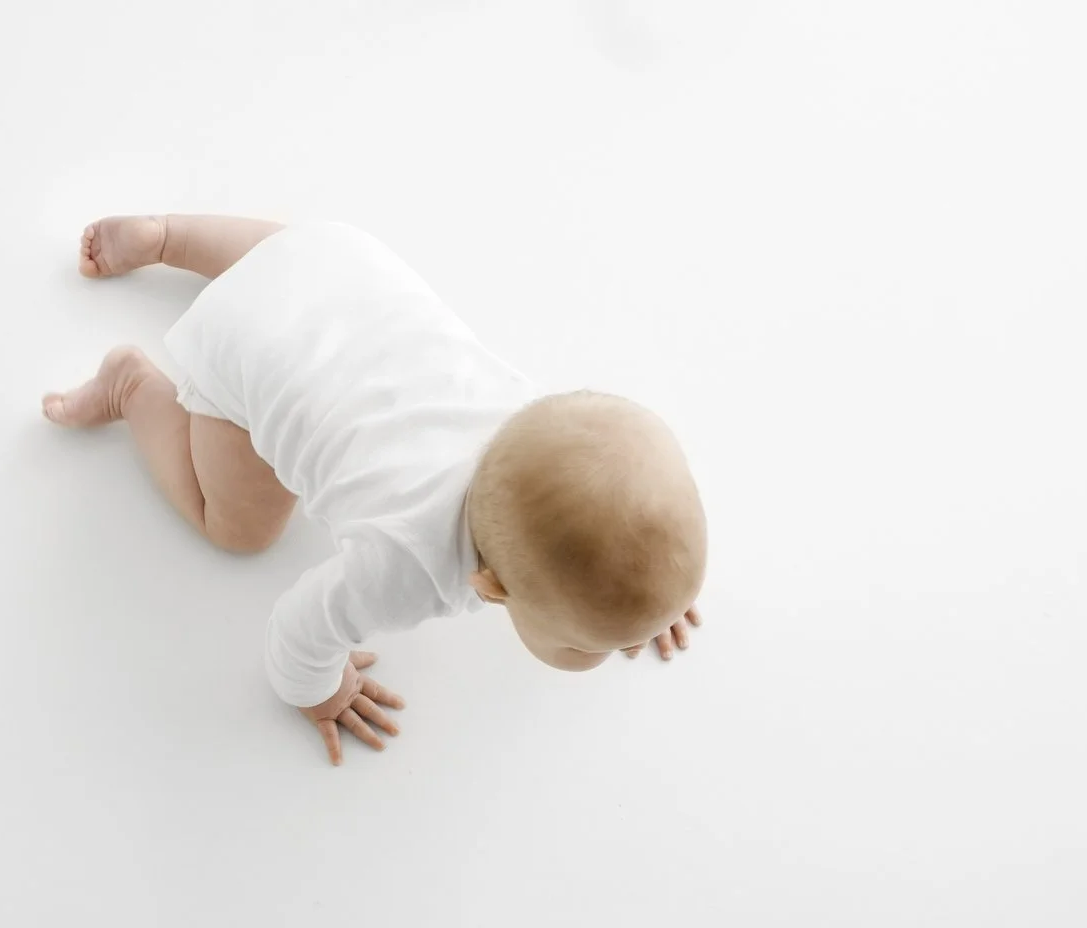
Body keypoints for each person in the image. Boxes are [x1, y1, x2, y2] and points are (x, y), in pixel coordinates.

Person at [43, 215, 707, 764]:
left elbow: (612, 518)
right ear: (491, 587)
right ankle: (133, 387)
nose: (625, 649)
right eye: (598, 643)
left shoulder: (547, 426)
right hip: (247, 352)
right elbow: (299, 631)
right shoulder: (406, 568)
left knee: (285, 271)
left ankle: (166, 239)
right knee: (238, 529)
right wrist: (316, 689)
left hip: (336, 263)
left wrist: (644, 589)